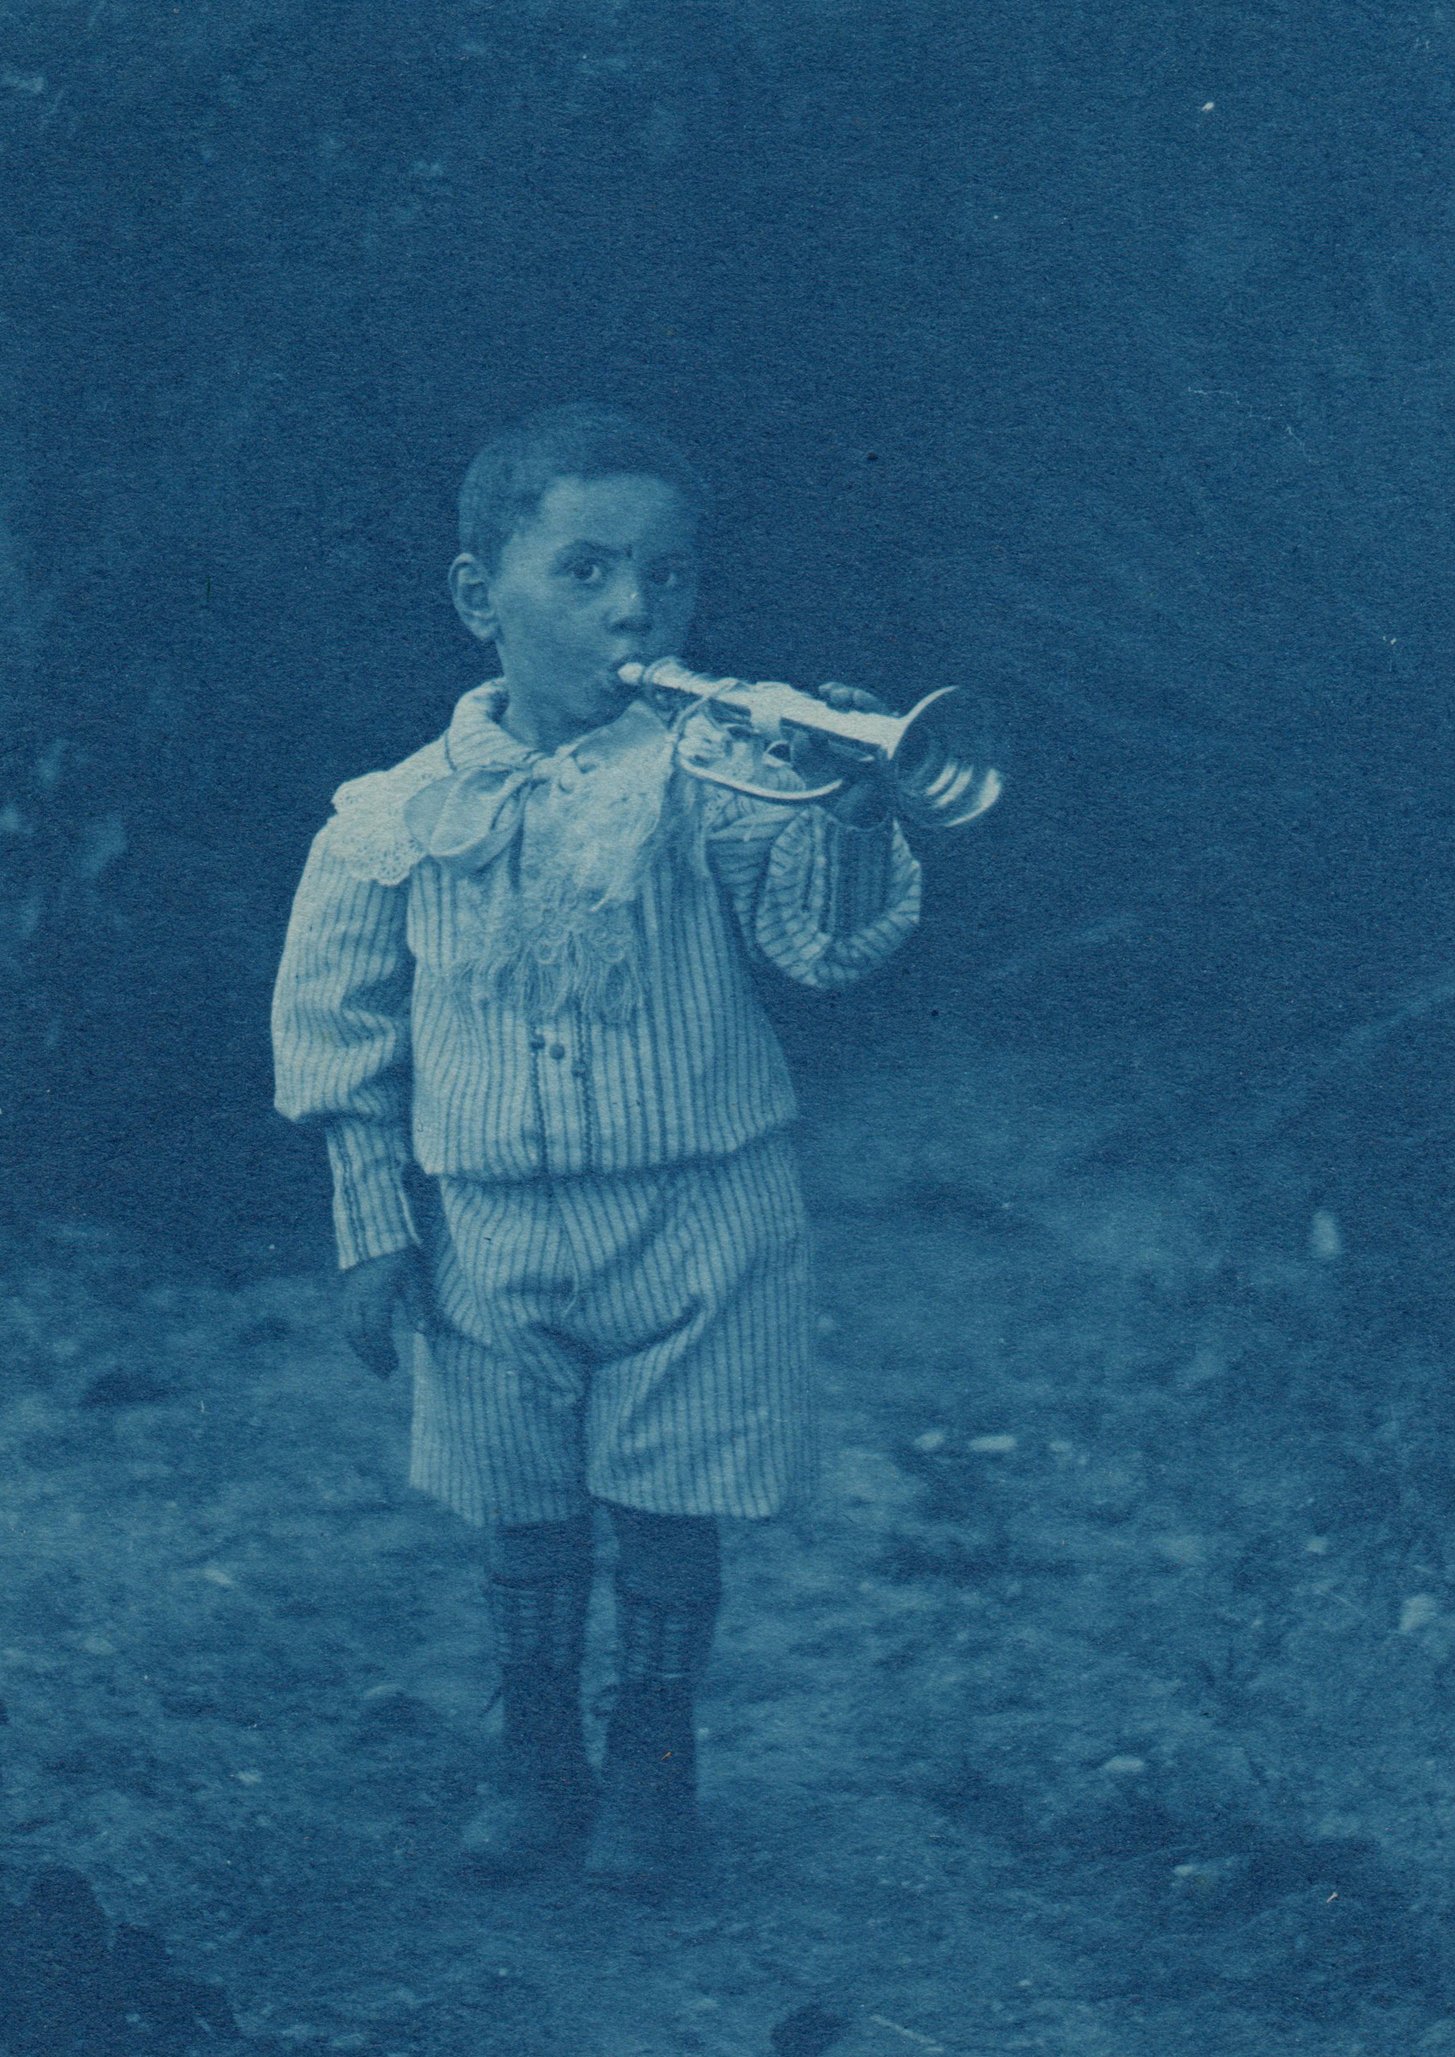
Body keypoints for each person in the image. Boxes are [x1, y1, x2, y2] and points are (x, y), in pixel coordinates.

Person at [270, 402, 921, 1885]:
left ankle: (654, 1761)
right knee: (522, 1507)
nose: (635, 609)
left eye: (667, 575)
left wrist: (849, 805)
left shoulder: (720, 777)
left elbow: (821, 945)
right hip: (489, 1228)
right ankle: (534, 1754)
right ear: (476, 595)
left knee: (673, 1501)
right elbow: (339, 1040)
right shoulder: (390, 817)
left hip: (703, 1211)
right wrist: (372, 1226)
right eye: (586, 571)